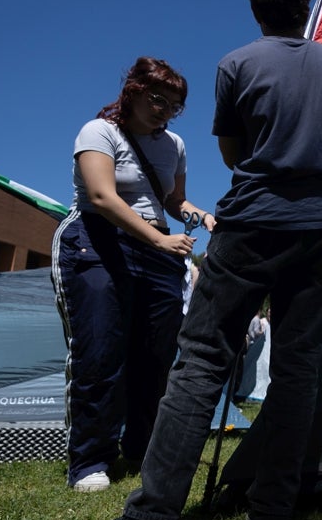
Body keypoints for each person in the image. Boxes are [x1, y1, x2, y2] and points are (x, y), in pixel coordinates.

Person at [69, 0, 322, 520]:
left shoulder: (236, 64)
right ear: (307, 3)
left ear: (257, 9)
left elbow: (235, 154)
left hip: (253, 226)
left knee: (203, 358)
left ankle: (154, 517)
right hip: (321, 230)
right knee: (297, 368)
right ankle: (272, 514)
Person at [51, 57, 213, 492]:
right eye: (158, 99)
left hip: (157, 254)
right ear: (134, 90)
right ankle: (89, 460)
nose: (165, 111)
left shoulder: (174, 145)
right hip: (98, 241)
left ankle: (141, 449)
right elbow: (102, 196)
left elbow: (174, 201)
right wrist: (160, 240)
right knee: (101, 350)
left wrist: (198, 213)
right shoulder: (98, 132)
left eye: (174, 106)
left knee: (156, 356)